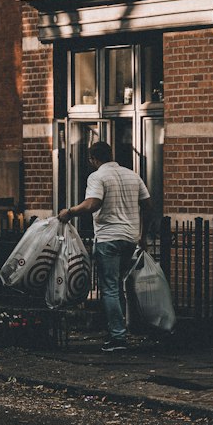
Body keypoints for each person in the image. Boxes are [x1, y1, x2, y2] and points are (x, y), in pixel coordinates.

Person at [58, 141, 151, 352]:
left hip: (108, 238)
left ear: (93, 159)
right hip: (130, 238)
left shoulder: (97, 176)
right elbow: (148, 206)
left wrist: (70, 212)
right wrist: (143, 236)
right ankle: (117, 331)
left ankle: (118, 338)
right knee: (117, 287)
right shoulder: (132, 175)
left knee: (109, 288)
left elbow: (93, 204)